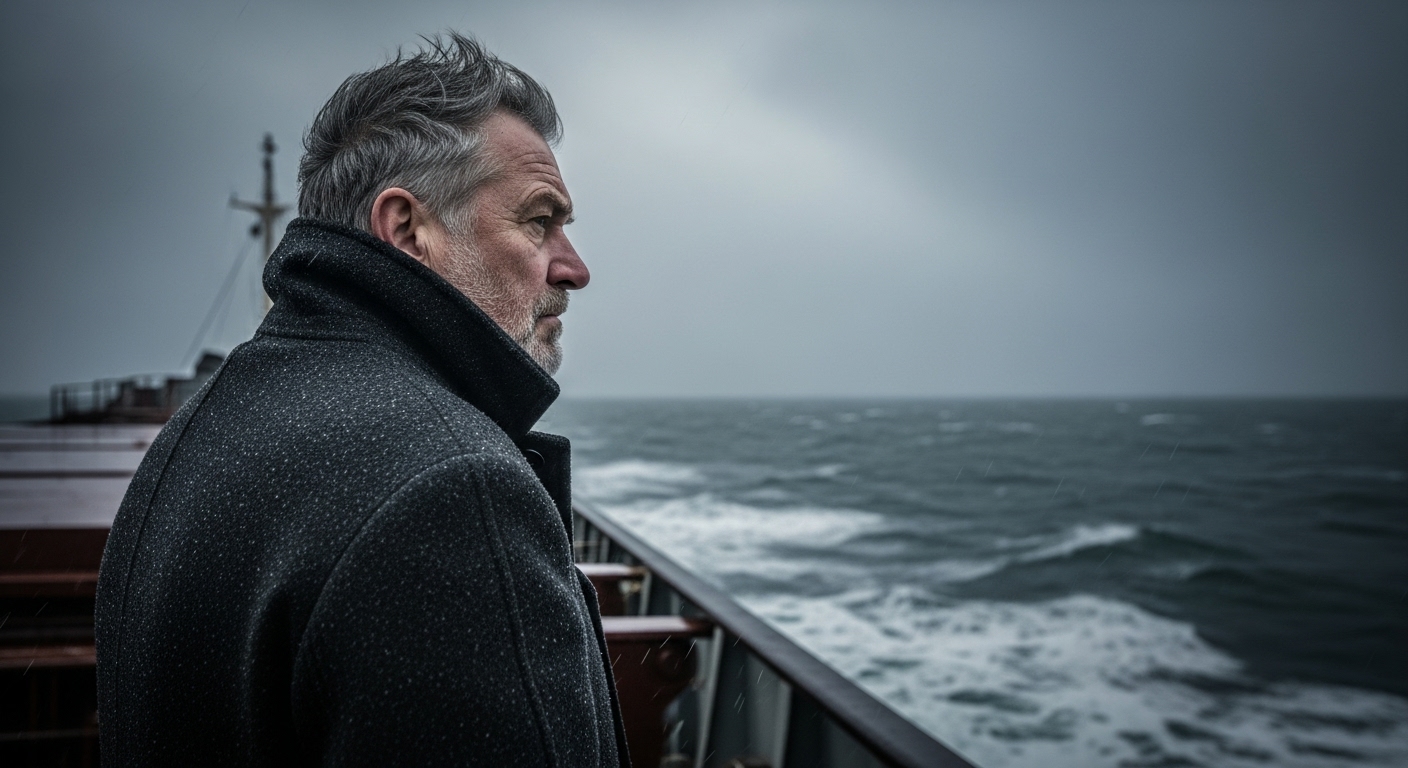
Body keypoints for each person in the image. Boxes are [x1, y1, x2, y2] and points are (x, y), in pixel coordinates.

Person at [95, 33, 627, 766]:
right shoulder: (456, 489)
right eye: (539, 221)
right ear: (407, 229)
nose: (574, 268)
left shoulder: (196, 433)